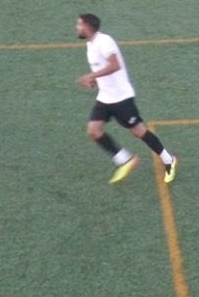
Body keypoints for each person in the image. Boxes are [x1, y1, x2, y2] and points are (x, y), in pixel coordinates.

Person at [75, 13, 177, 185]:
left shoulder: (104, 41)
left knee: (138, 131)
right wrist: (95, 80)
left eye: (79, 24)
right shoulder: (90, 44)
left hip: (122, 98)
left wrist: (92, 75)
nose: (77, 27)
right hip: (105, 97)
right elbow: (104, 68)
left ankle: (169, 160)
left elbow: (115, 65)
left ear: (87, 26)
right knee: (94, 130)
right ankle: (125, 160)